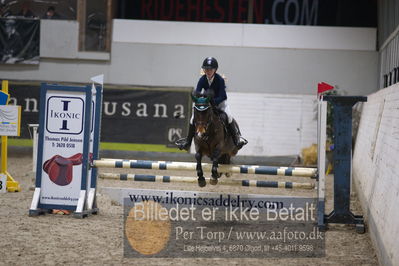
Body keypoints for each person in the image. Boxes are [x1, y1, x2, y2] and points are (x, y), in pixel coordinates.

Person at [179, 57, 247, 151]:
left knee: (229, 116)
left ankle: (236, 140)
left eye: (210, 69)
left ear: (215, 70)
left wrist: (213, 101)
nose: (208, 71)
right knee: (192, 118)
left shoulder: (220, 80)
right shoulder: (202, 79)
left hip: (220, 103)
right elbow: (198, 91)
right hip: (207, 104)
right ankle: (188, 142)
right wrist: (198, 96)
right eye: (206, 69)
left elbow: (223, 96)